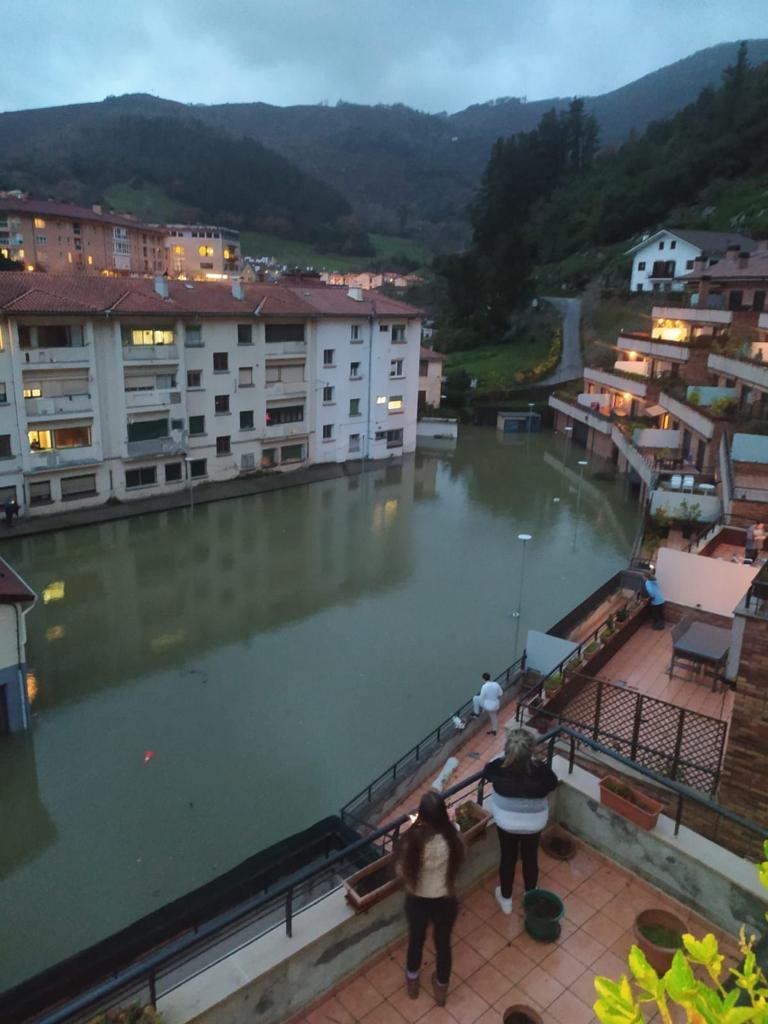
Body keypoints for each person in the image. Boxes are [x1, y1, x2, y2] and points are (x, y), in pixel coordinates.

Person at [393, 791, 465, 1006]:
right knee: (443, 945)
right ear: (444, 814)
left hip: (417, 901)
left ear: (422, 815)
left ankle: (413, 984)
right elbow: (461, 858)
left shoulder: (412, 842)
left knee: (416, 941)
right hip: (445, 900)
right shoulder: (453, 837)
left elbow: (400, 871)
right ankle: (441, 990)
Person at [483, 728, 558, 915]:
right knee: (530, 856)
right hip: (534, 822)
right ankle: (530, 895)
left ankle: (506, 900)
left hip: (506, 821)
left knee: (508, 858)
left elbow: (487, 771)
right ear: (531, 750)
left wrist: (503, 758)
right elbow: (553, 783)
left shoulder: (498, 768)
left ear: (508, 749)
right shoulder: (541, 771)